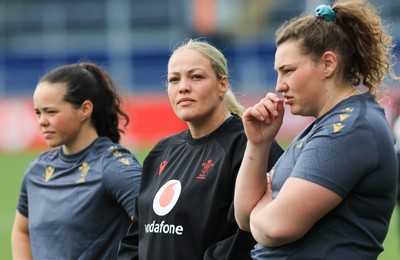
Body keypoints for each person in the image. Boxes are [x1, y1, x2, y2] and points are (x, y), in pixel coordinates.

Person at [234, 1, 399, 259]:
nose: (279, 86)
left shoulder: (350, 128)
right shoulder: (324, 126)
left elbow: (276, 227)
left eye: (288, 71)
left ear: (328, 64)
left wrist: (264, 205)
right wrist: (258, 144)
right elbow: (244, 218)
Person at [117, 38, 284, 260]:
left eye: (196, 77)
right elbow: (136, 237)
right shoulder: (161, 152)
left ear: (222, 85)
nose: (183, 87)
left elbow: (248, 239)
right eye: (174, 80)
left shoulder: (252, 145)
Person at [11, 62, 142, 259]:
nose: (42, 121)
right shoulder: (37, 170)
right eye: (38, 113)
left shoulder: (114, 167)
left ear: (85, 109)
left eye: (51, 112)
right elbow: (21, 231)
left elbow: (159, 231)